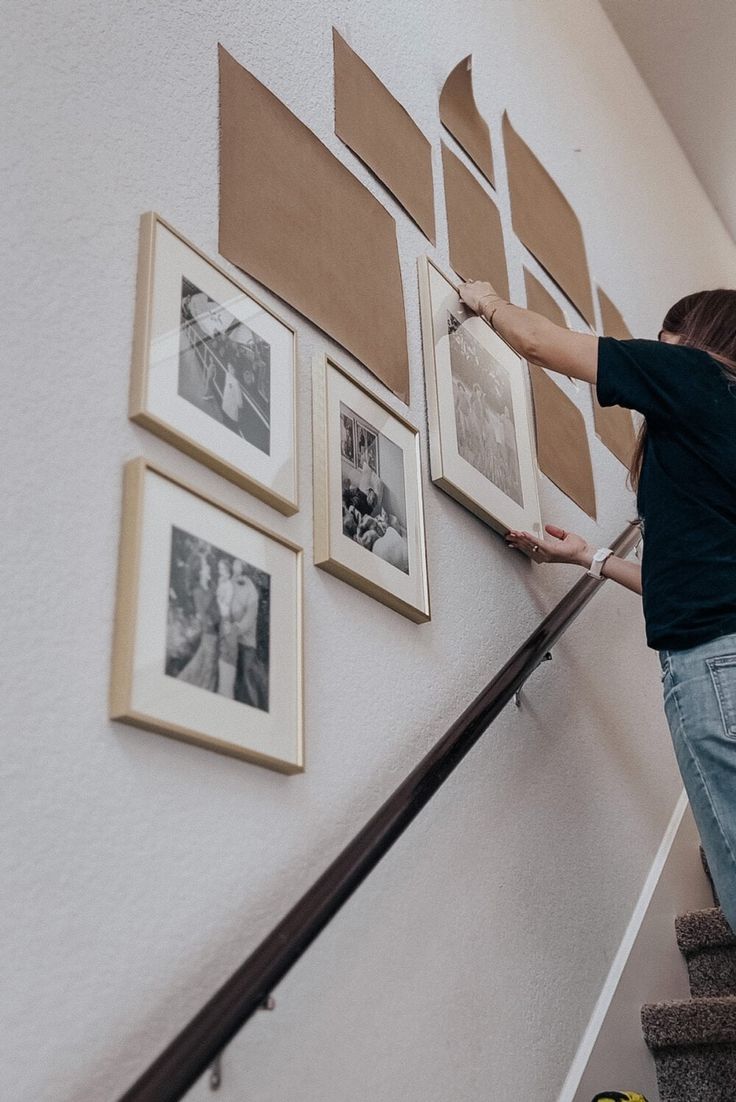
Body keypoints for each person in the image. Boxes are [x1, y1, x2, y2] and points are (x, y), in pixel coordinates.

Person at [458, 280, 736, 933]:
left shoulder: (696, 377)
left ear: (696, 339)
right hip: (703, 668)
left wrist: (487, 300)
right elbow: (688, 575)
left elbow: (539, 342)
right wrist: (589, 558)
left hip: (715, 671)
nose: (658, 349)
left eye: (667, 337)